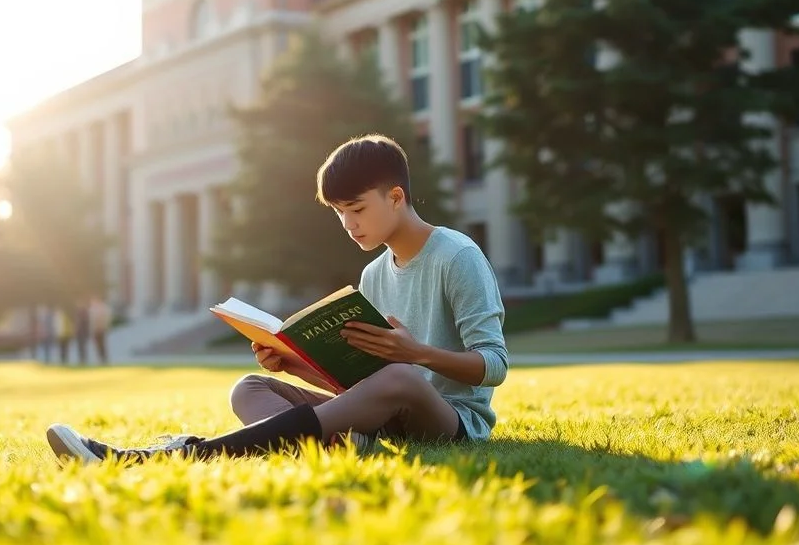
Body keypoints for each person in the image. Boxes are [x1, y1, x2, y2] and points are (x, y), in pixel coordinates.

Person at [45, 133, 509, 464]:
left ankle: (180, 454)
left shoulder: (457, 256)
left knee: (402, 378)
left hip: (452, 423)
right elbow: (360, 388)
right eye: (339, 213)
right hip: (385, 415)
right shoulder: (373, 274)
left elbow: (494, 364)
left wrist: (416, 354)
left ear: (395, 196)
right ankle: (336, 445)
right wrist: (294, 364)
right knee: (250, 387)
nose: (349, 224)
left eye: (357, 209)